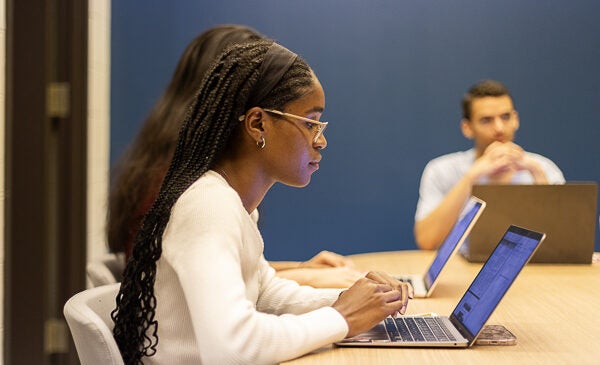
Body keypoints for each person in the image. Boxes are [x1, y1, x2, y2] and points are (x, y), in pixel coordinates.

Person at [111, 40, 413, 364]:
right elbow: (234, 347)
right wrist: (343, 318)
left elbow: (266, 293)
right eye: (311, 123)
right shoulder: (208, 207)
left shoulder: (231, 203)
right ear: (258, 124)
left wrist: (352, 301)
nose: (321, 141)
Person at [107, 24, 362, 288]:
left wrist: (300, 270)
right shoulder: (191, 189)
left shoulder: (183, 165)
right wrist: (321, 293)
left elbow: (226, 268)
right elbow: (201, 289)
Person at [414, 79, 565, 250]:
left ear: (516, 119)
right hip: (460, 271)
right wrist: (471, 177)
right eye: (486, 120)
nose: (499, 128)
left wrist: (537, 174)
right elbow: (427, 241)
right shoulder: (442, 170)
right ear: (467, 127)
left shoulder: (543, 168)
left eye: (506, 117)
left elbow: (562, 245)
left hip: (533, 271)